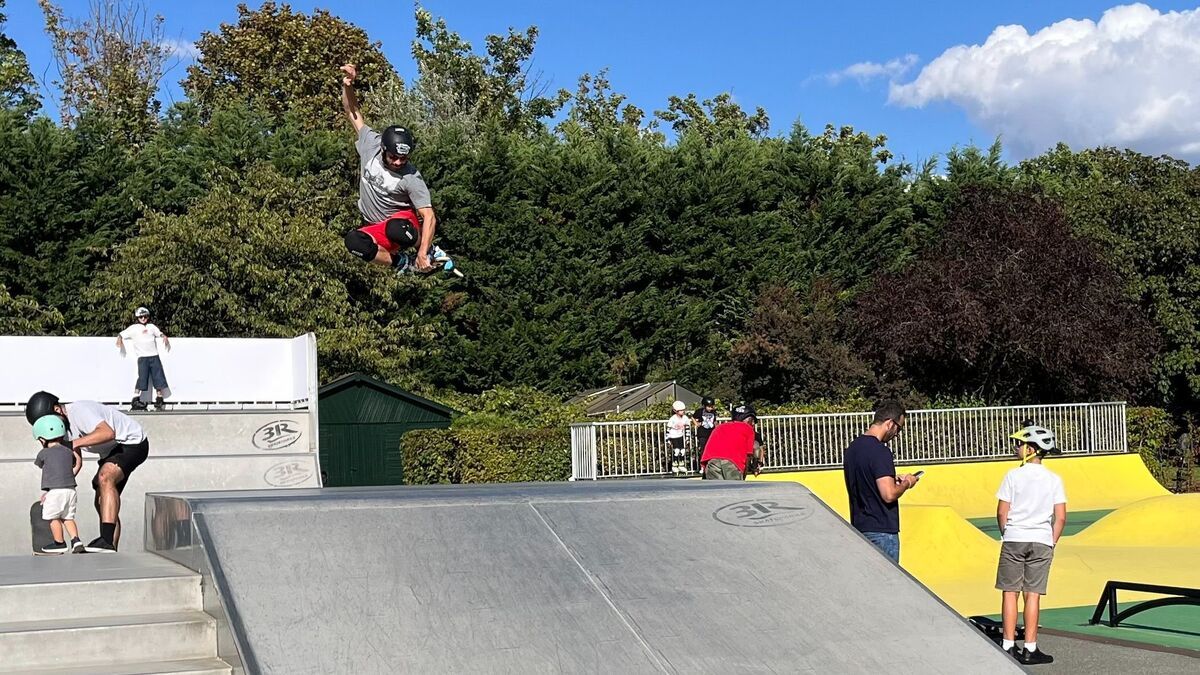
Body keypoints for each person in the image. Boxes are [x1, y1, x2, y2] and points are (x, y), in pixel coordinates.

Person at [339, 62, 448, 274]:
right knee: (354, 242)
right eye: (394, 157)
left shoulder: (411, 177)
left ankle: (430, 251)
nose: (398, 162)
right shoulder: (370, 144)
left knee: (395, 228)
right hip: (375, 225)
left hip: (403, 224)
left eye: (403, 158)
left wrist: (423, 251)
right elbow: (352, 111)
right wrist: (348, 86)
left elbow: (429, 216)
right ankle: (403, 264)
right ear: (383, 149)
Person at [24, 391, 149, 553]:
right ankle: (111, 551)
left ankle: (106, 540)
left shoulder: (80, 411)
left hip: (132, 442)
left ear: (57, 410)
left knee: (105, 477)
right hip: (111, 452)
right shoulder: (62, 430)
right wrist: (54, 490)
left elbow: (107, 432)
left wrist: (74, 443)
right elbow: (76, 463)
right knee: (102, 502)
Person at [995, 425, 1066, 666]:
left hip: (1015, 537)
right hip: (1042, 540)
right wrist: (1052, 541)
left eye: (1019, 444)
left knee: (1010, 592)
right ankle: (1030, 647)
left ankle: (1007, 645)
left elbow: (1002, 511)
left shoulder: (1012, 475)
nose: (1016, 448)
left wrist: (1008, 532)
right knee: (1033, 594)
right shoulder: (1054, 479)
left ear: (1031, 449)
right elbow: (1061, 517)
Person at [842, 400, 920, 563]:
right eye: (899, 428)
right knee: (888, 585)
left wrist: (892, 478)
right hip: (882, 532)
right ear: (890, 423)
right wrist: (907, 483)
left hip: (860, 529)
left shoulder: (852, 449)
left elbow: (866, 481)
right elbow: (889, 494)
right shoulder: (880, 451)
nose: (897, 434)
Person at [33, 414, 85, 554]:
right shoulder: (68, 452)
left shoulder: (43, 453)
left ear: (42, 438)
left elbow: (40, 465)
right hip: (71, 491)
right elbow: (74, 465)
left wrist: (49, 492)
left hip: (55, 491)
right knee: (68, 517)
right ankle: (76, 540)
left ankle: (59, 543)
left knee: (53, 518)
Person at [117, 306, 171, 411]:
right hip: (142, 357)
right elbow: (122, 334)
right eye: (141, 317)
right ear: (138, 317)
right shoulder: (133, 328)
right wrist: (119, 339)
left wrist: (164, 336)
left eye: (145, 316)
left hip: (154, 355)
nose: (143, 318)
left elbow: (159, 333)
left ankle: (159, 398)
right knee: (142, 378)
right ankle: (135, 398)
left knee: (158, 377)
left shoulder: (151, 327)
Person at [699, 404, 764, 480]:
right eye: (753, 421)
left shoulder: (720, 427)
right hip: (732, 463)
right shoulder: (748, 429)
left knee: (715, 491)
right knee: (733, 490)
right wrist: (753, 467)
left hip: (712, 462)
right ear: (750, 420)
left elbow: (708, 448)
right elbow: (753, 450)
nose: (753, 424)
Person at [691, 397, 719, 471]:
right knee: (703, 450)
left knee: (712, 449)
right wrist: (696, 424)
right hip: (702, 433)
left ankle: (710, 465)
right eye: (708, 406)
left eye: (711, 406)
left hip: (711, 433)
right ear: (704, 405)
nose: (710, 408)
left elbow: (714, 421)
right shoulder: (700, 411)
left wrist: (717, 428)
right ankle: (702, 466)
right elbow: (693, 417)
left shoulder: (713, 412)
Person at [666, 401, 691, 475]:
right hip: (673, 436)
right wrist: (667, 439)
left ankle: (681, 464)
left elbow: (687, 428)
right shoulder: (673, 418)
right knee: (676, 451)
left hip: (680, 435)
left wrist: (687, 438)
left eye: (683, 410)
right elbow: (668, 429)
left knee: (682, 451)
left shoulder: (685, 418)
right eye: (680, 410)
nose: (682, 412)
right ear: (675, 411)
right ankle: (674, 465)